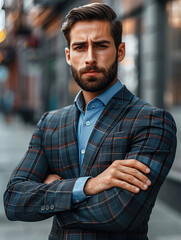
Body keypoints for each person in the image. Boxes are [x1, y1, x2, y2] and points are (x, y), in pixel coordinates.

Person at [4, 3, 177, 240]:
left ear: (120, 51)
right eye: (80, 47)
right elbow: (14, 200)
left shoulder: (152, 121)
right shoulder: (50, 123)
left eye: (101, 45)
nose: (90, 58)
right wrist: (88, 186)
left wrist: (52, 194)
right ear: (68, 55)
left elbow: (118, 214)